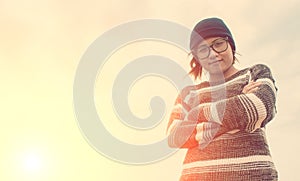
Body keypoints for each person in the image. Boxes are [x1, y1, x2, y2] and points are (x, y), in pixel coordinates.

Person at [167, 17, 278, 180]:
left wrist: (195, 115)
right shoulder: (189, 93)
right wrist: (240, 106)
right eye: (203, 49)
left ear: (230, 45)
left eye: (218, 43)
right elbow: (174, 136)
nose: (213, 54)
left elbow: (259, 106)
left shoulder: (255, 73)